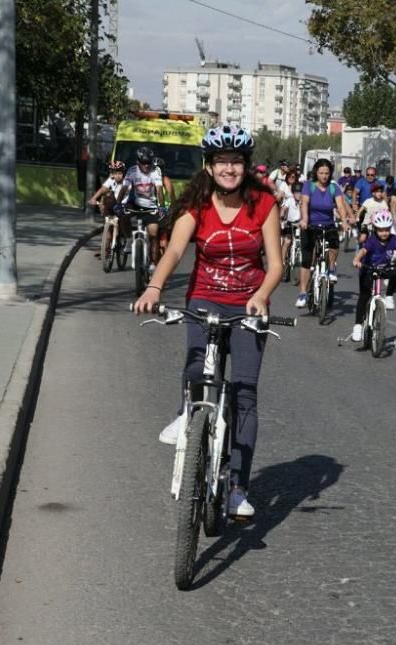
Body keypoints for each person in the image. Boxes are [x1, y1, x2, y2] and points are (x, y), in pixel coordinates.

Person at [132, 125, 282, 519]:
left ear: (246, 165)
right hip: (205, 298)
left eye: (236, 161)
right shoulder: (196, 205)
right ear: (210, 166)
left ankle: (236, 488)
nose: (229, 168)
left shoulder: (264, 203)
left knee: (244, 393)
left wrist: (261, 296)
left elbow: (277, 264)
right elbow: (176, 250)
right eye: (222, 161)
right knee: (197, 369)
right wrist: (154, 287)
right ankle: (189, 415)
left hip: (249, 304)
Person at [297, 158, 354, 306]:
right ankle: (303, 293)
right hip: (310, 226)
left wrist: (345, 221)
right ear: (316, 172)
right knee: (307, 259)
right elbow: (305, 204)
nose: (324, 176)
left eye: (327, 173)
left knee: (334, 244)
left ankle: (332, 267)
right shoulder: (309, 186)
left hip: (328, 224)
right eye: (321, 173)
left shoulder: (334, 187)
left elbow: (341, 206)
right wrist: (304, 220)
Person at [351, 210, 396, 341]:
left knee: (395, 272)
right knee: (364, 297)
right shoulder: (372, 240)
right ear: (375, 229)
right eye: (381, 230)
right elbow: (363, 250)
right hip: (368, 269)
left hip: (384, 269)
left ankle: (389, 296)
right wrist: (356, 260)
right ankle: (358, 326)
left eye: (387, 229)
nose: (384, 233)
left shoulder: (394, 239)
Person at [122, 147, 167, 270]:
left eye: (149, 162)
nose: (146, 166)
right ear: (138, 162)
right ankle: (129, 239)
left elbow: (159, 190)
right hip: (135, 203)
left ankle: (153, 262)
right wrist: (117, 203)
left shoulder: (155, 171)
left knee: (153, 233)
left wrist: (162, 207)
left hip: (151, 206)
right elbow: (124, 188)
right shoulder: (132, 171)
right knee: (123, 215)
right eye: (143, 163)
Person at [280, 181, 303, 268]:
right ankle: (282, 262)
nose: (298, 195)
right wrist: (282, 216)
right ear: (293, 193)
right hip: (290, 224)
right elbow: (283, 209)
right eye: (296, 193)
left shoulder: (304, 201)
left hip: (301, 225)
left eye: (300, 193)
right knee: (287, 241)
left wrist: (301, 206)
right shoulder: (289, 200)